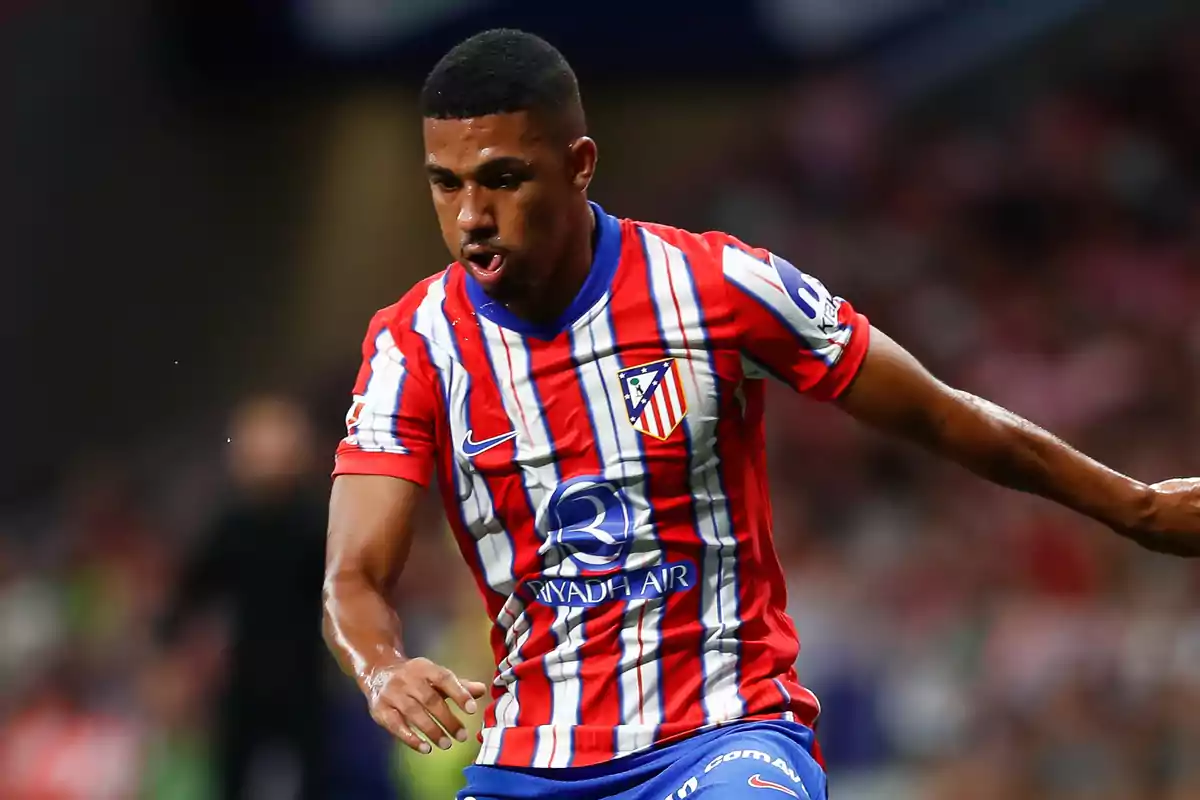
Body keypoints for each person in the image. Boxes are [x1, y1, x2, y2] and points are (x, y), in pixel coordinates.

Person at [321, 28, 1200, 800]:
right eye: (446, 185)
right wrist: (381, 668)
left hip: (725, 736)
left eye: (503, 180)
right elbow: (352, 578)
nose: (472, 217)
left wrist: (1137, 505)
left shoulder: (716, 288)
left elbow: (942, 416)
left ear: (580, 164)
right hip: (532, 762)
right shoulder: (413, 346)